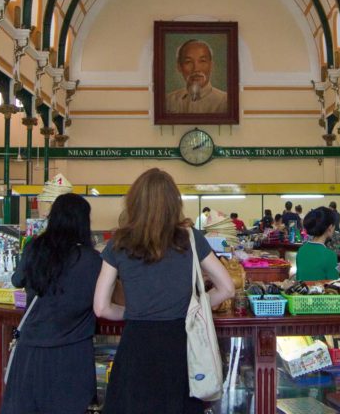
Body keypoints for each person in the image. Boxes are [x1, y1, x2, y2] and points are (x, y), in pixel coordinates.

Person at [93, 168, 235, 414]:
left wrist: (131, 312)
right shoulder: (190, 238)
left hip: (136, 346)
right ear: (174, 202)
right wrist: (195, 307)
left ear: (134, 201)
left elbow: (101, 307)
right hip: (180, 346)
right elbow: (227, 288)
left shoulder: (119, 242)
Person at [2, 193, 102, 414]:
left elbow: (17, 280)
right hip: (73, 356)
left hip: (32, 351)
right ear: (83, 222)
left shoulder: (35, 249)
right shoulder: (93, 260)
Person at [165, 39, 228, 114]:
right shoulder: (168, 100)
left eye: (202, 61)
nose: (196, 69)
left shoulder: (225, 101)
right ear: (179, 67)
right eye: (188, 62)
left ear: (211, 65)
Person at [296, 207, 340, 282]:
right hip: (320, 293)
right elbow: (334, 286)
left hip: (301, 293)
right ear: (330, 228)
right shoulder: (330, 255)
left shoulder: (301, 250)